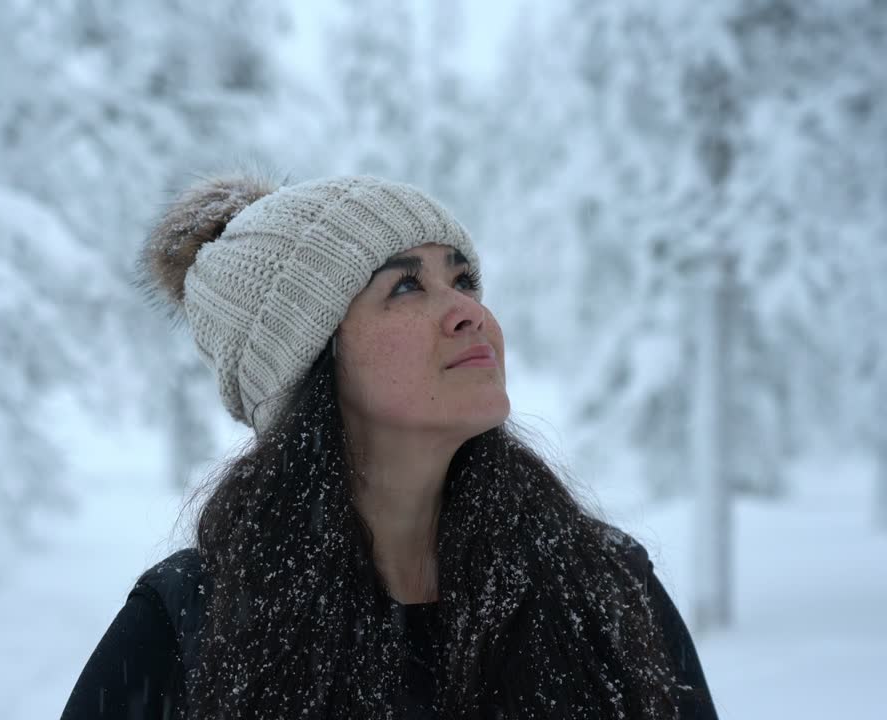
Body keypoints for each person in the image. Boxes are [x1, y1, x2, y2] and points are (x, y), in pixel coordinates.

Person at [60, 174, 718, 719]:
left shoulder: (599, 585)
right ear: (312, 360)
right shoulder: (194, 621)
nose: (470, 313)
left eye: (463, 281)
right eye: (405, 286)